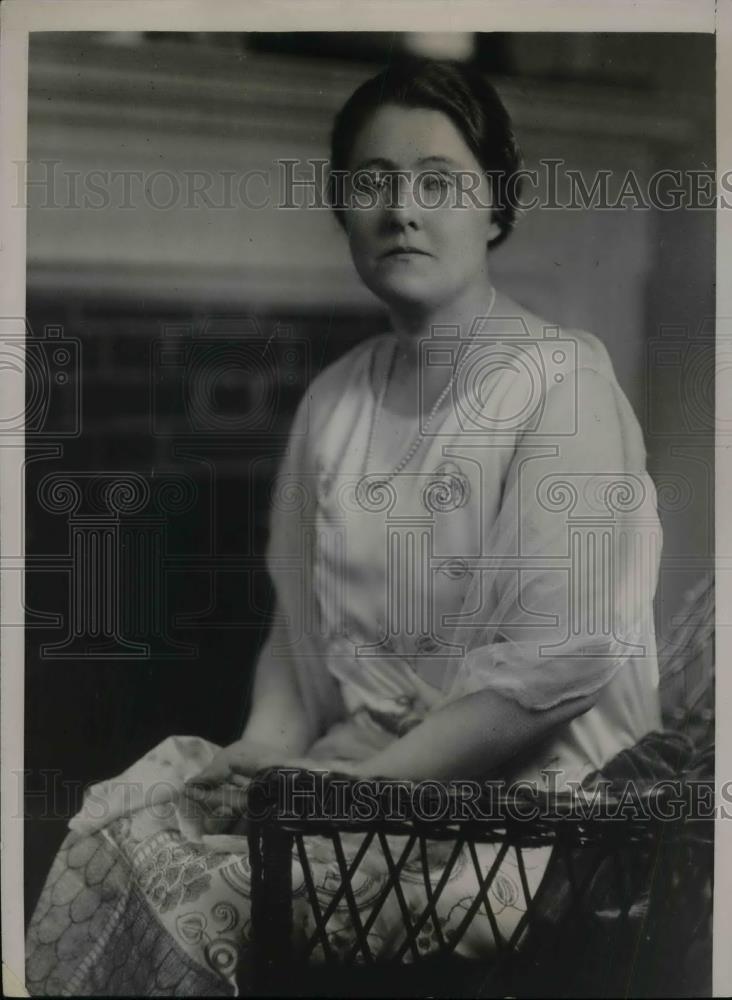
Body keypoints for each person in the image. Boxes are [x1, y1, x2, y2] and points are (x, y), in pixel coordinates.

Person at [25, 57, 662, 996]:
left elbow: (557, 669)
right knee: (129, 831)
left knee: (229, 897)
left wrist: (355, 797)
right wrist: (260, 753)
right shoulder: (335, 402)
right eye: (373, 183)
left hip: (532, 813)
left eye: (440, 182)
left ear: (495, 207)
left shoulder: (560, 385)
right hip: (369, 778)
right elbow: (301, 633)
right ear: (343, 209)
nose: (403, 209)